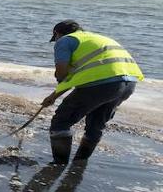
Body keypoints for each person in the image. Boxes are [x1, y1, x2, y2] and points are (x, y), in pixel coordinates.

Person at [40, 20, 144, 164]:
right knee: (96, 124)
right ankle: (80, 163)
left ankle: (59, 164)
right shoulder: (96, 39)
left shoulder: (64, 41)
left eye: (55, 38)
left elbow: (63, 73)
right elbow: (77, 77)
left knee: (61, 121)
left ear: (57, 34)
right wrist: (53, 96)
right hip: (128, 84)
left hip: (102, 84)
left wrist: (58, 81)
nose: (56, 41)